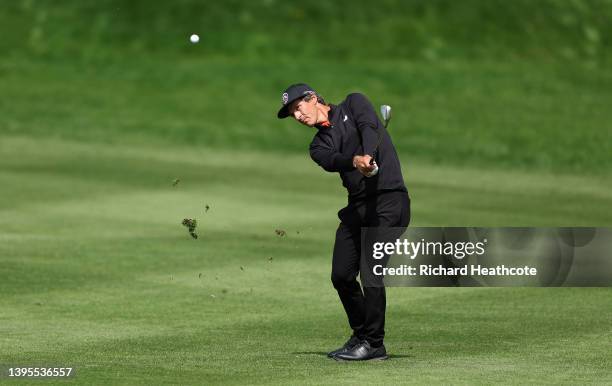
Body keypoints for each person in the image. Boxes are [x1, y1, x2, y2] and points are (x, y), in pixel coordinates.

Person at [277, 83, 410, 361]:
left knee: (370, 271)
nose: (297, 117)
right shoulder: (318, 145)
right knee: (341, 274)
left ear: (312, 98)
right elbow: (334, 160)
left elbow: (369, 128)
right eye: (292, 115)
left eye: (298, 108)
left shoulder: (354, 102)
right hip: (357, 208)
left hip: (388, 202)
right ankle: (361, 333)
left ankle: (374, 344)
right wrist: (356, 160)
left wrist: (369, 155)